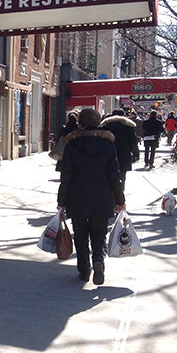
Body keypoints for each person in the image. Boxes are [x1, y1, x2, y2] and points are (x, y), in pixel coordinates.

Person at [58, 108, 126, 285]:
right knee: (99, 234)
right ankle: (98, 260)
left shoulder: (72, 145)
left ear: (80, 122)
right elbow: (115, 174)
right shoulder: (108, 145)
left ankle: (84, 269)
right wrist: (120, 199)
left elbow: (66, 176)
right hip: (103, 197)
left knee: (80, 235)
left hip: (77, 196)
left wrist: (61, 201)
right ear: (98, 122)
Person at [99, 109, 138, 188]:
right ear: (123, 115)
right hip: (124, 155)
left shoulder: (105, 126)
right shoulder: (129, 127)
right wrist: (128, 150)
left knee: (108, 176)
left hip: (107, 155)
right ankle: (120, 193)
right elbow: (133, 143)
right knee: (122, 176)